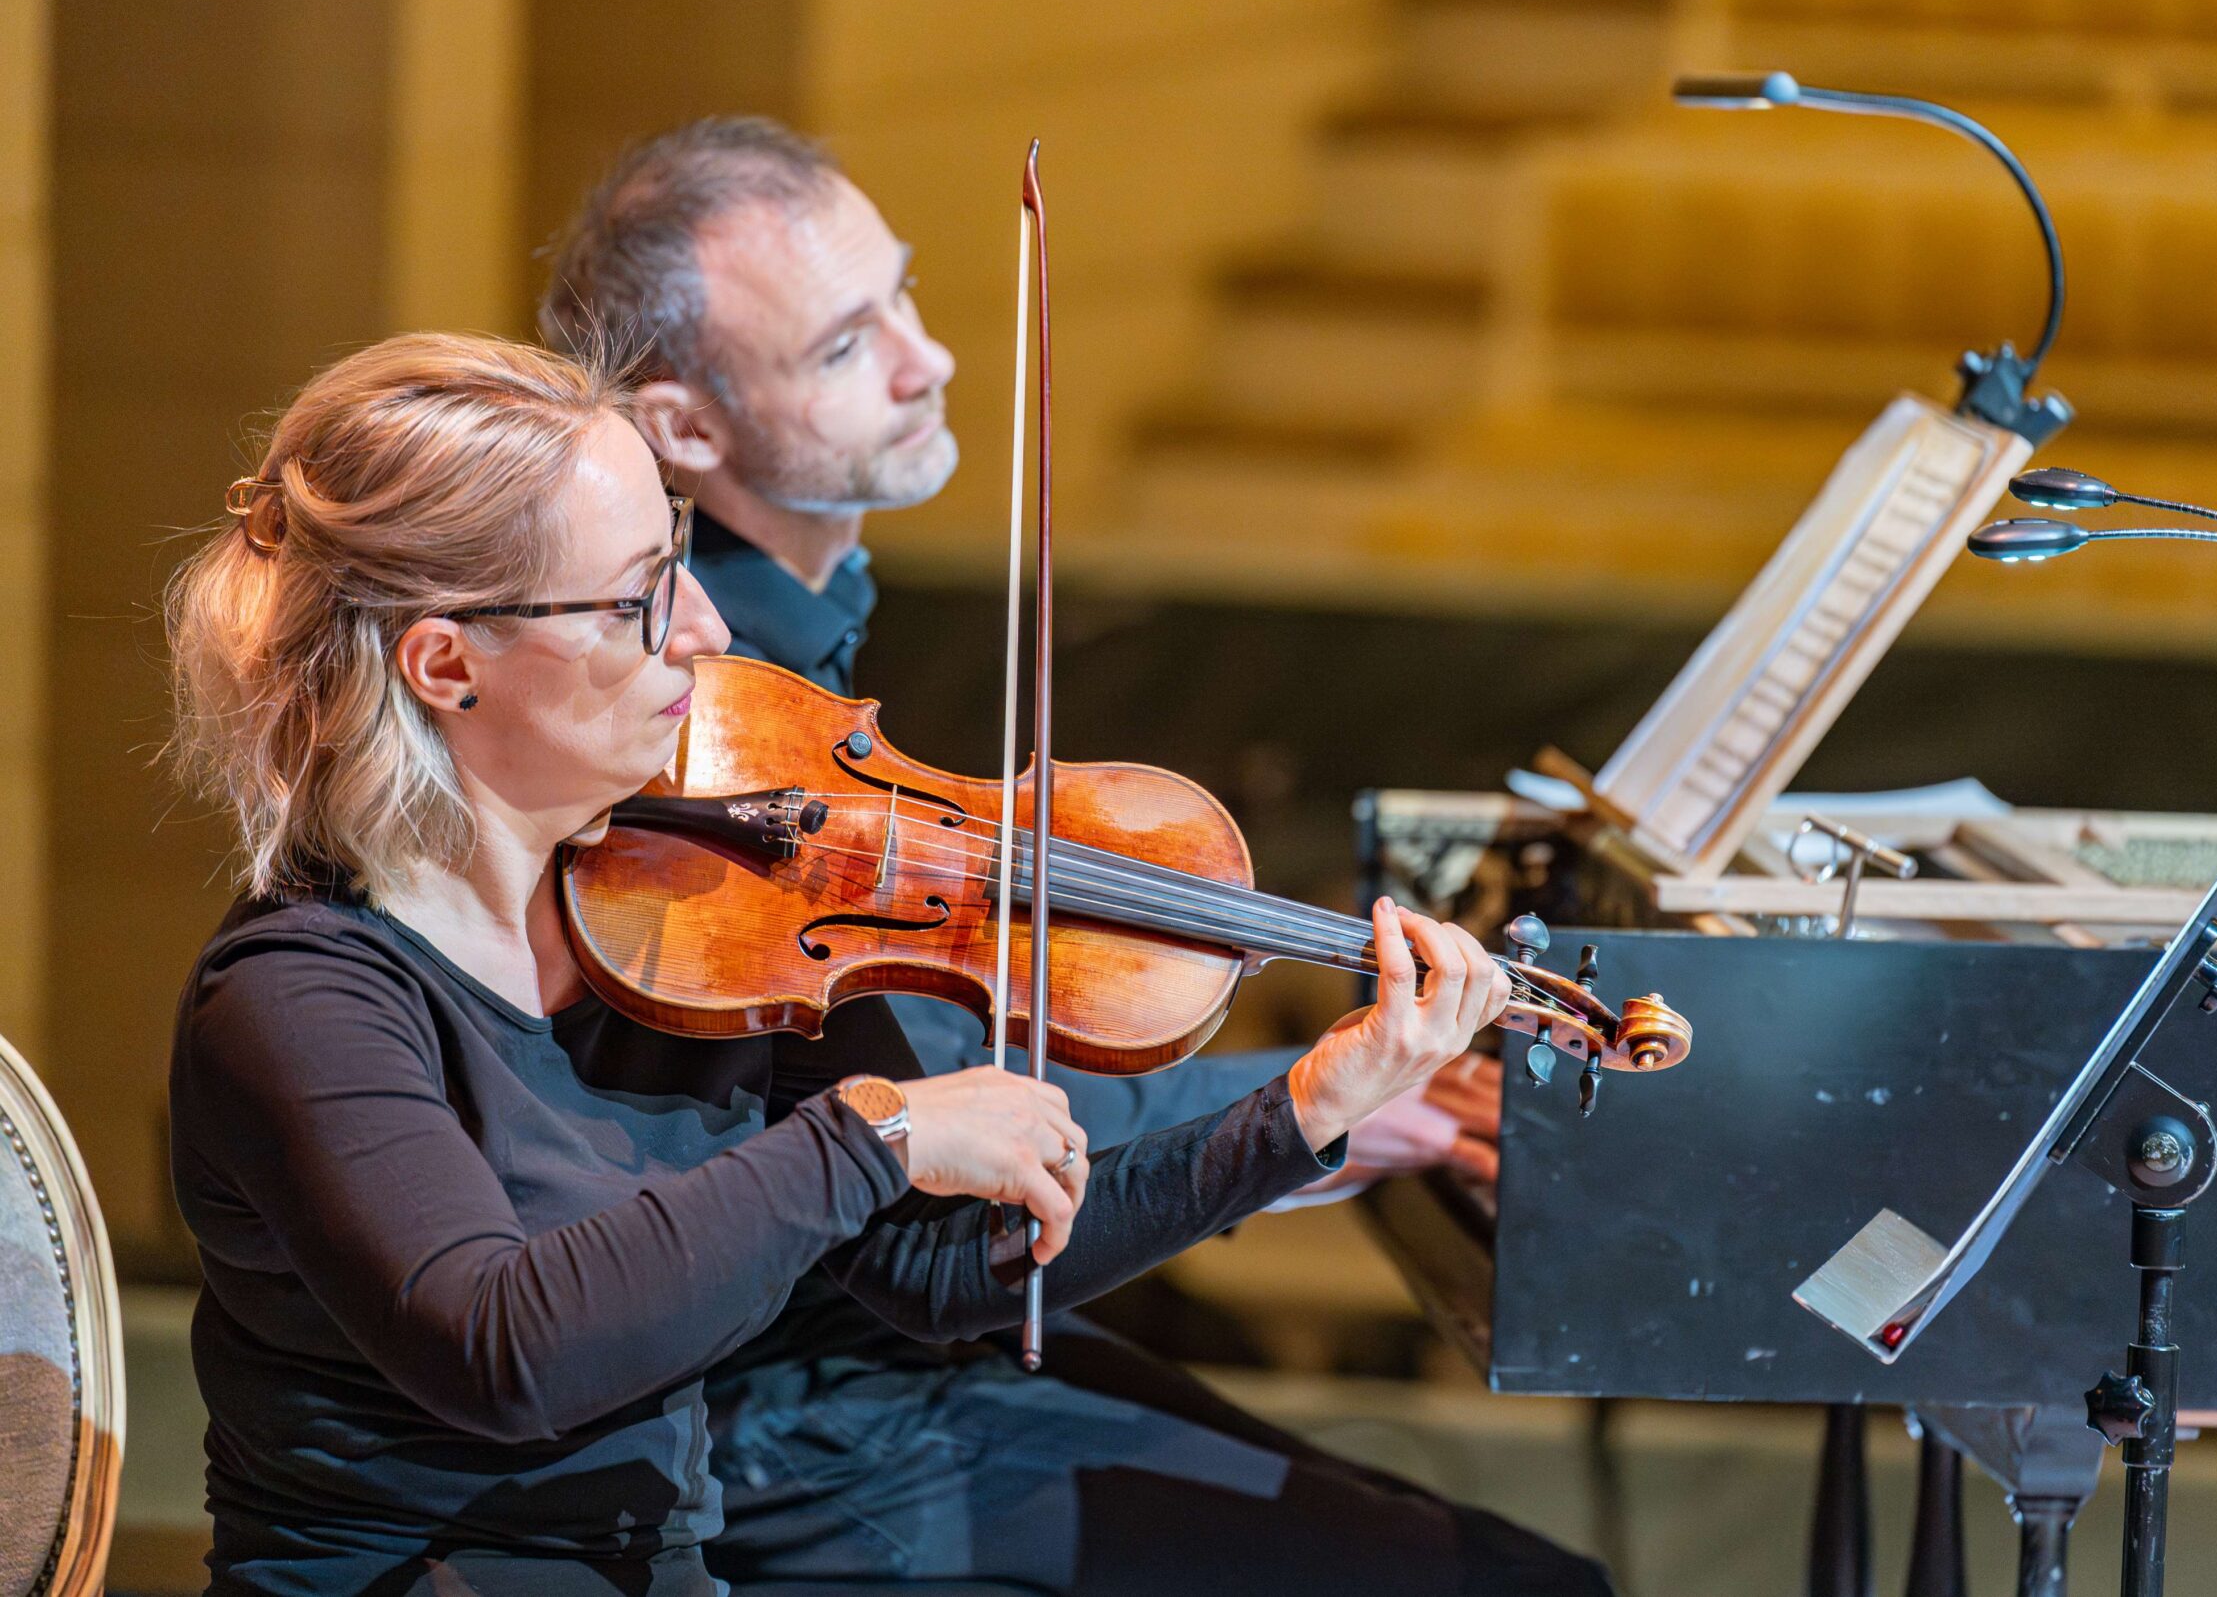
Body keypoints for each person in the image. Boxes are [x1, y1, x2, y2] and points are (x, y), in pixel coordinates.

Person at [162, 332, 1537, 1594]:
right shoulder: (302, 997)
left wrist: (1310, 1109)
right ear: (448, 664)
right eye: (636, 598)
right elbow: (508, 1350)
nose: (701, 628)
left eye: (680, 557)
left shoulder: (701, 913)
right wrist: (877, 1133)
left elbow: (940, 1271)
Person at [538, 120, 1561, 1592]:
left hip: (889, 1362)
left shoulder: (814, 667)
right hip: (798, 1427)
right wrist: (1303, 1112)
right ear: (684, 431)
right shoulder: (698, 747)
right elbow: (933, 1157)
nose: (928, 358)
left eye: (903, 295)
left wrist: (1321, 1114)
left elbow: (972, 1041)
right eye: (844, 347)